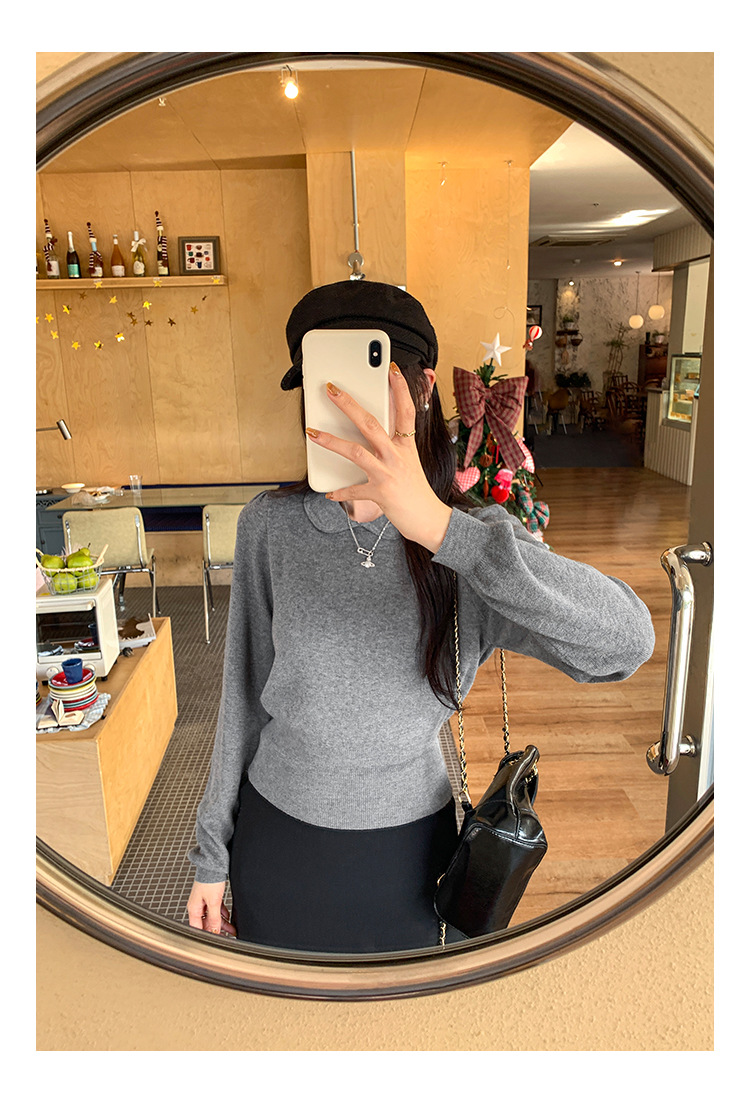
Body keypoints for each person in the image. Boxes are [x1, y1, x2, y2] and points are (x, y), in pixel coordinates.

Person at [186, 280, 655, 953]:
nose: (339, 408)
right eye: (319, 387)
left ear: (424, 388)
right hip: (278, 843)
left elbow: (626, 642)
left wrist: (441, 529)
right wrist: (211, 854)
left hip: (407, 859)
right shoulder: (270, 526)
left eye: (359, 383)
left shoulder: (473, 544)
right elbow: (241, 699)